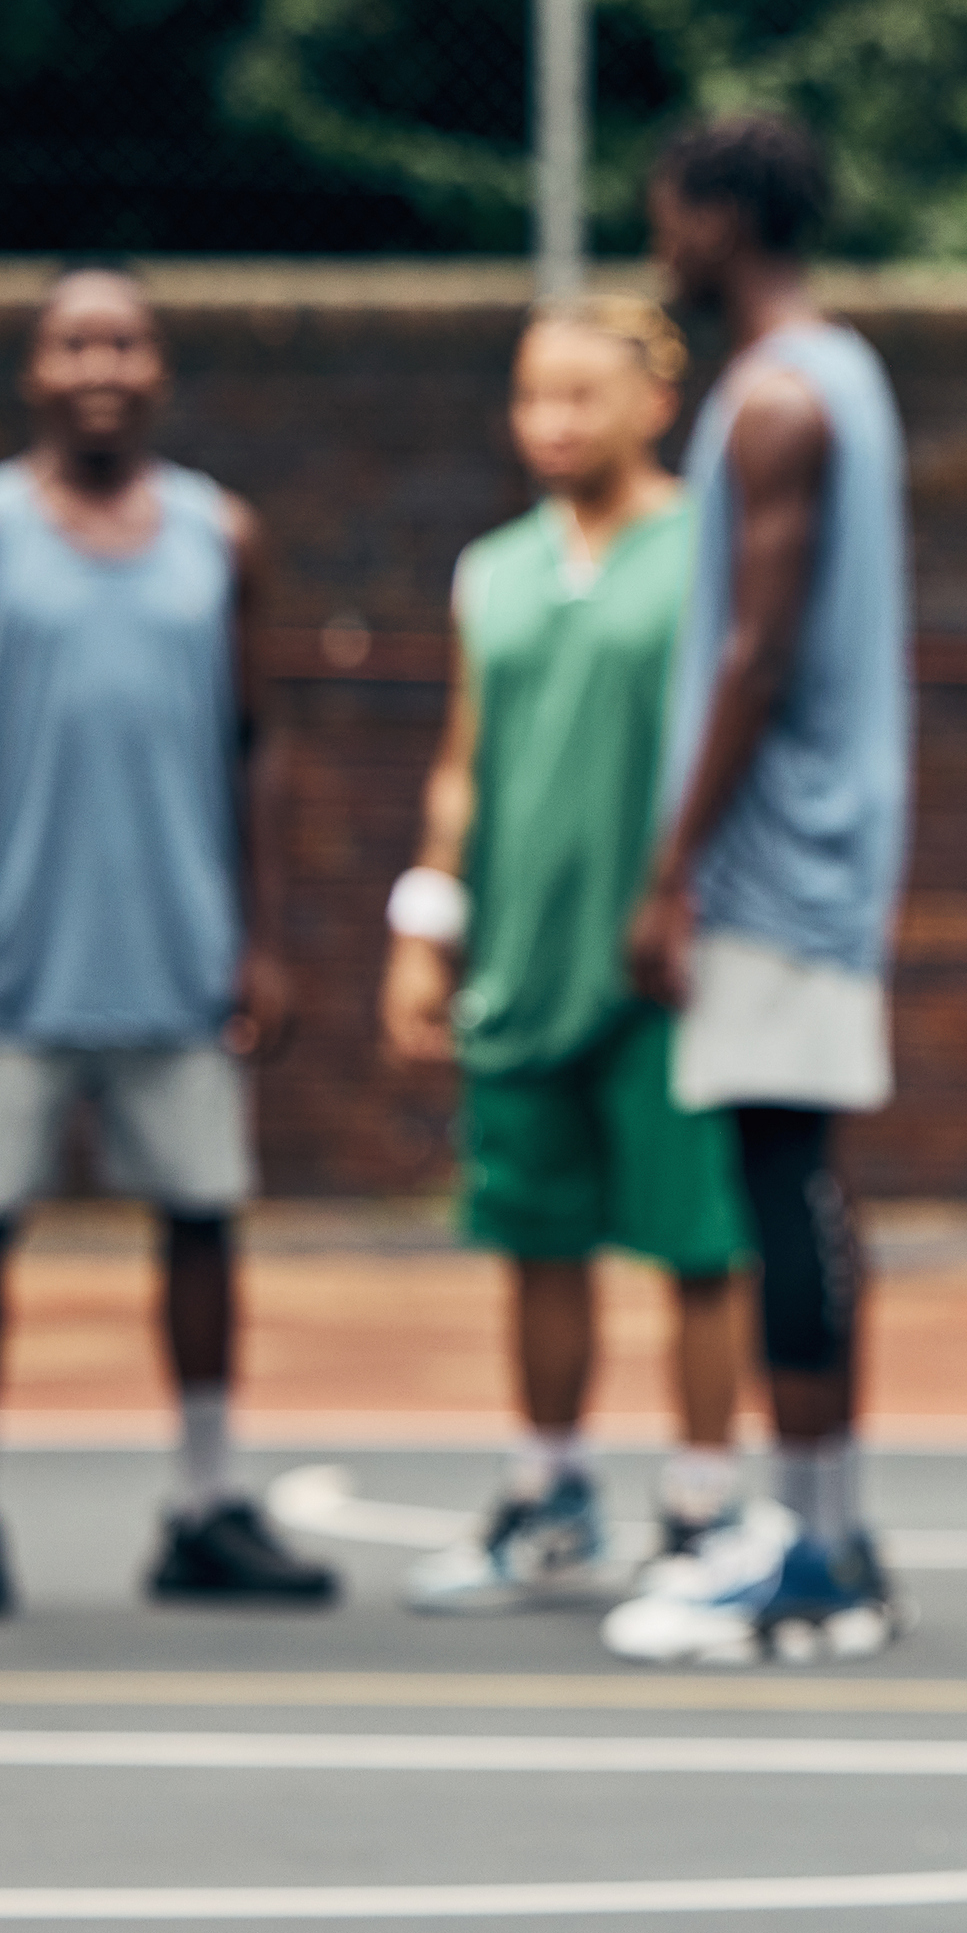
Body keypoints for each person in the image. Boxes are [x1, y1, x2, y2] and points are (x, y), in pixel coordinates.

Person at [0, 265, 332, 1612]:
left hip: (179, 957)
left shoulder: (216, 535)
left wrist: (266, 936)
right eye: (74, 342)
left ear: (158, 369)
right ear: (36, 371)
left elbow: (261, 739)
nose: (101, 364)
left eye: (125, 341)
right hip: (9, 963)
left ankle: (204, 1501)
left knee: (201, 1222)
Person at [598, 113, 914, 1667]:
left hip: (780, 863)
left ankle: (813, 1554)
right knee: (800, 1181)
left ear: (725, 216)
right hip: (823, 852)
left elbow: (758, 650)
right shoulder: (827, 374)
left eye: (671, 212)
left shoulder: (777, 400)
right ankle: (825, 1524)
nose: (660, 239)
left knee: (783, 1181)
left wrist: (671, 871)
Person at [382, 296, 751, 1609]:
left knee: (701, 1243)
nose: (551, 421)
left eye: (580, 396)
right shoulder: (491, 568)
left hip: (666, 967)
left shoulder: (714, 548)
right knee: (538, 1240)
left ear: (656, 401)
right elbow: (461, 769)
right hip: (523, 962)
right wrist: (425, 922)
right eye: (533, 396)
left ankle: (704, 1510)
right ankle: (550, 1497)